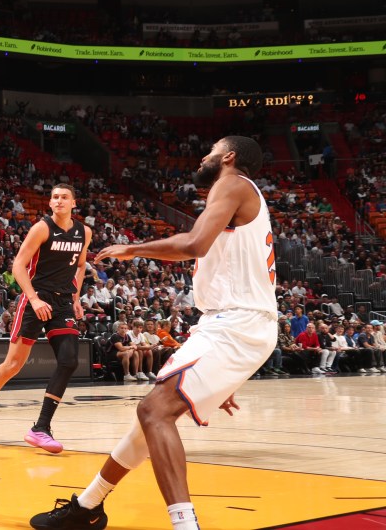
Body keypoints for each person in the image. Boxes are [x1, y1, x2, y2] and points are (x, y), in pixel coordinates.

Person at [30, 137, 278, 530]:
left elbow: (194, 244)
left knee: (153, 412)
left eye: (212, 149)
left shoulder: (232, 184)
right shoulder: (244, 196)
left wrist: (135, 248)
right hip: (233, 326)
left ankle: (184, 525)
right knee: (147, 424)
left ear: (228, 157)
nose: (203, 156)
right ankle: (88, 505)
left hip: (236, 324)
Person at [0, 184, 91, 453]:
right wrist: (33, 298)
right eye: (55, 197)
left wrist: (76, 297)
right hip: (36, 298)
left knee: (69, 361)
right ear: (49, 203)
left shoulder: (84, 232)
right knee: (13, 365)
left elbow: (80, 266)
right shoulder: (42, 229)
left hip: (63, 302)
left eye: (64, 197)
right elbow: (18, 265)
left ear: (73, 202)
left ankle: (41, 428)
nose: (59, 200)